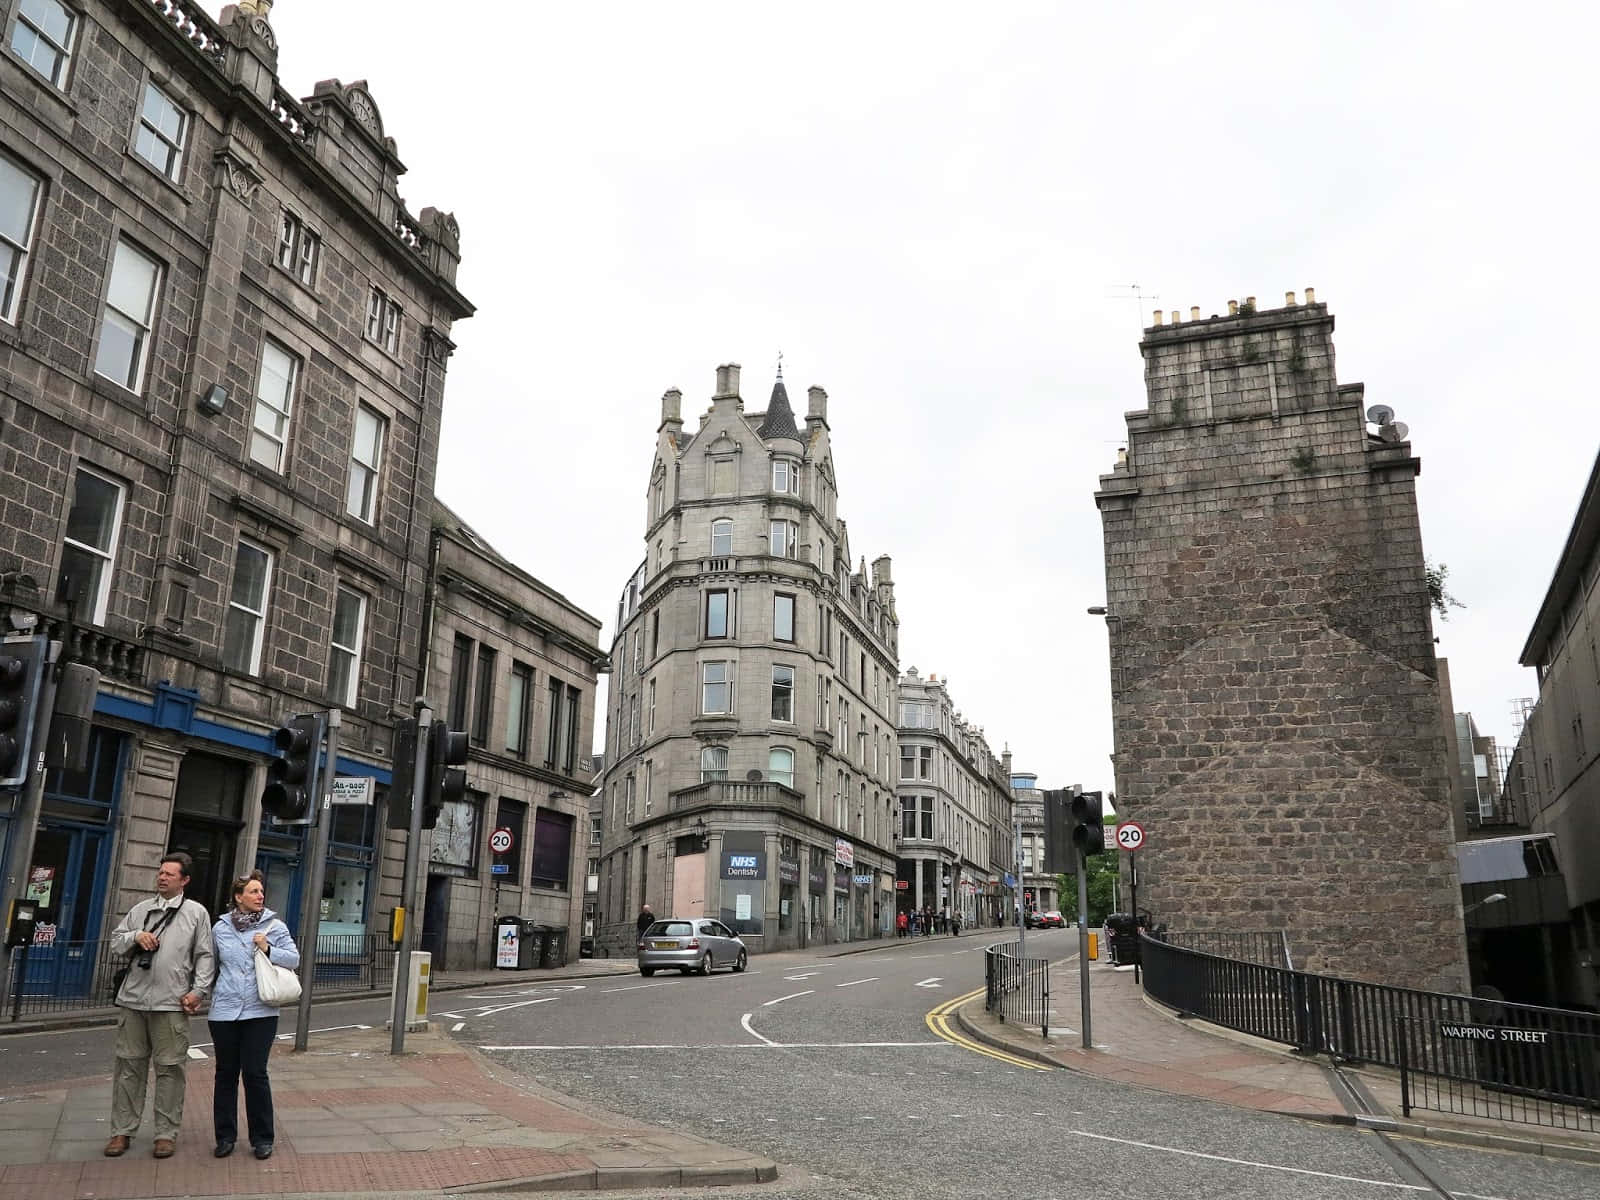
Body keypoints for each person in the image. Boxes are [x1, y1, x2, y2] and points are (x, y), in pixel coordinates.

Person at [104, 852, 215, 1160]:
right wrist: (135, 936)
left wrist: (199, 991)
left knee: (169, 1069)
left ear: (185, 880)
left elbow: (205, 955)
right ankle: (121, 1131)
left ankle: (165, 1134)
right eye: (160, 872)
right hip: (133, 1000)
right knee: (128, 1067)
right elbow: (116, 942)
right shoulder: (141, 909)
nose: (162, 877)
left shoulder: (196, 913)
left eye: (169, 874)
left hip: (171, 1003)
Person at [208, 871, 299, 1160]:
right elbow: (211, 965)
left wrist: (268, 948)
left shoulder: (275, 926)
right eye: (254, 891)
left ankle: (262, 1138)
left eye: (261, 891)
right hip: (224, 1010)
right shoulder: (220, 928)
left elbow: (294, 958)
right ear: (238, 897)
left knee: (255, 1073)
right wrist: (198, 993)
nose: (260, 896)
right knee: (225, 1074)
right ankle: (225, 1137)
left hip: (260, 1010)